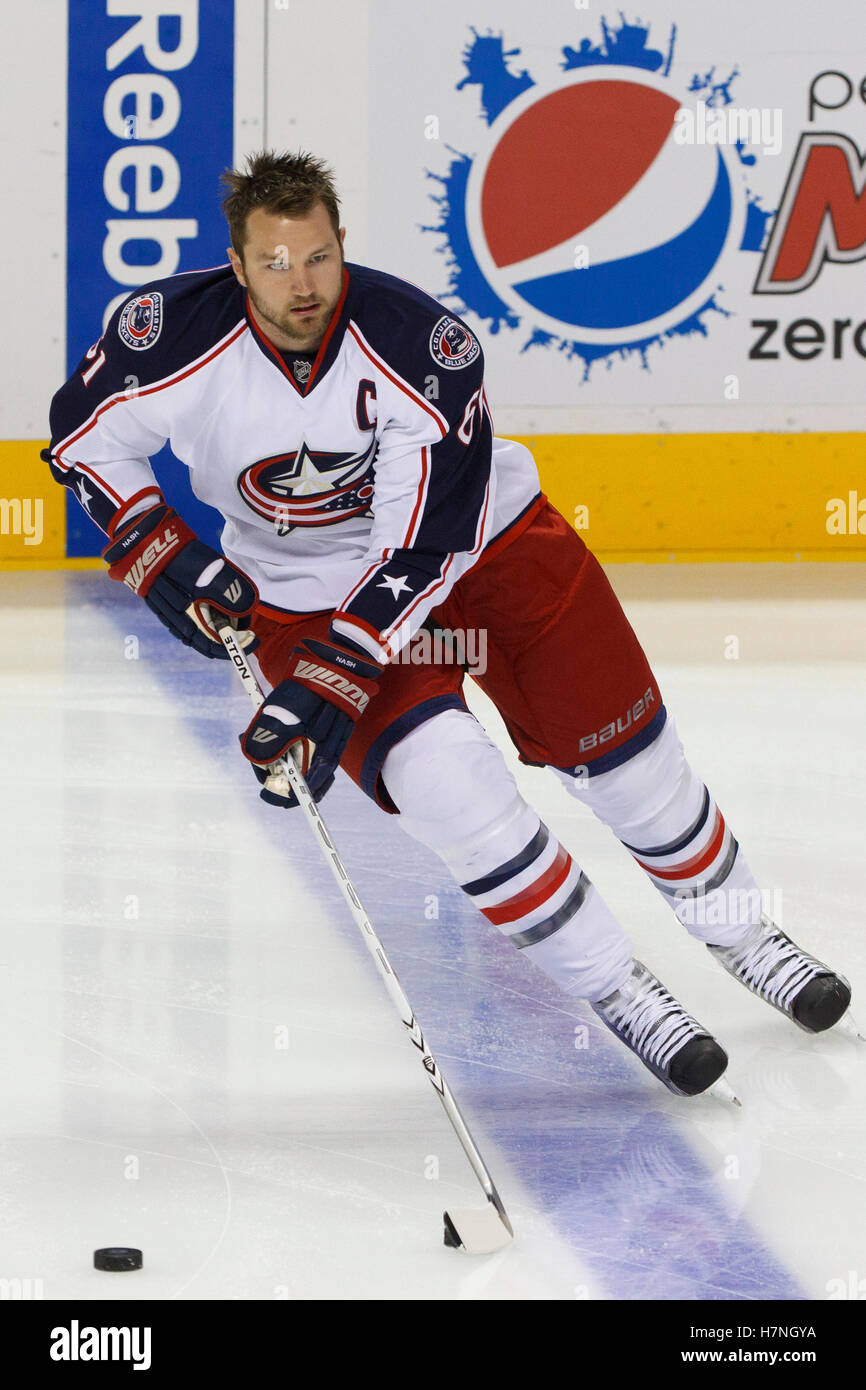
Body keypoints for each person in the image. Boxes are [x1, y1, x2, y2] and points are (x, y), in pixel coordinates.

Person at [44, 150, 854, 1101]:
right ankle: (619, 985)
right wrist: (157, 550)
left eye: (316, 258)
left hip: (489, 554)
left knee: (632, 762)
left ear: (343, 244)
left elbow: (422, 544)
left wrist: (333, 677)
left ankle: (746, 934)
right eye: (274, 263)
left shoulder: (424, 344)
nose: (300, 286)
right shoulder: (164, 337)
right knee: (454, 798)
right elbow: (79, 437)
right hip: (302, 596)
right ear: (237, 265)